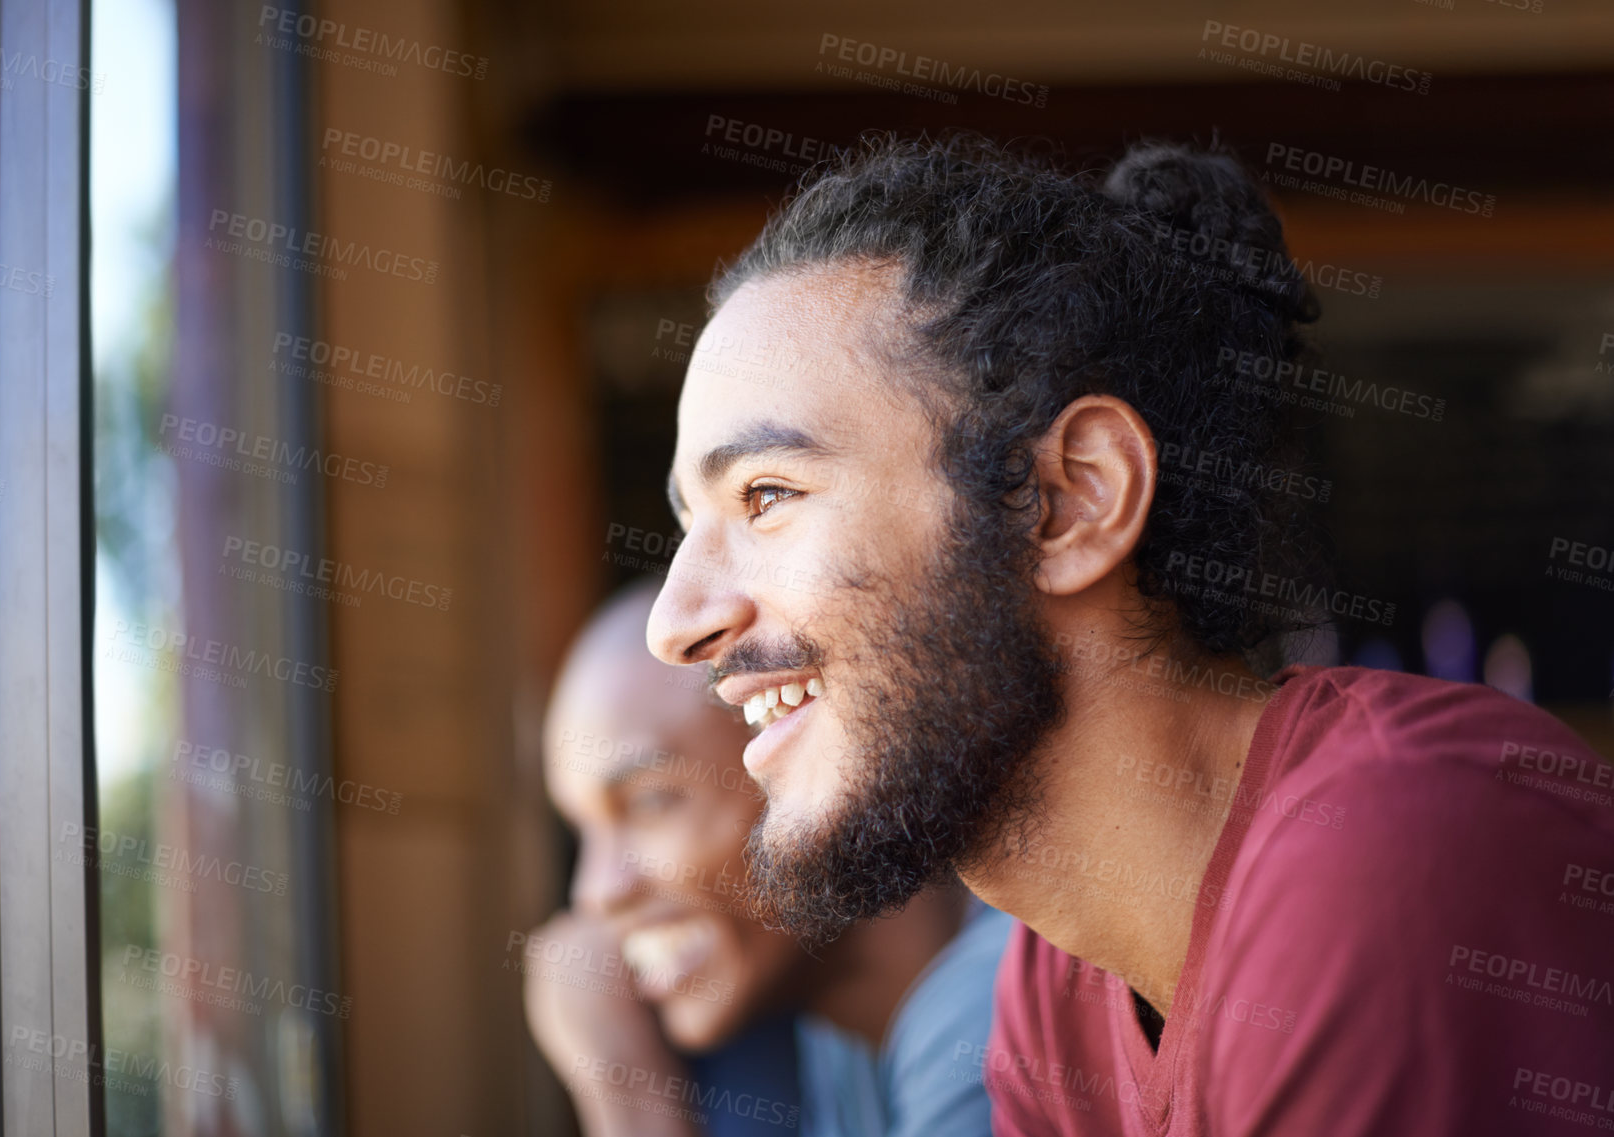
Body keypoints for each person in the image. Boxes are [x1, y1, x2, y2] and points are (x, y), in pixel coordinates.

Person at [644, 131, 1614, 1136]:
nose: (675, 625)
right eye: (687, 526)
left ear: (1069, 501)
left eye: (767, 495)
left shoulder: (1395, 843)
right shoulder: (1054, 982)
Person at [523, 580, 1009, 1137]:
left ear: (800, 757)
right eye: (582, 830)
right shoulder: (820, 1035)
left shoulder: (994, 1022)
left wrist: (628, 1095)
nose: (596, 891)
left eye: (651, 802)